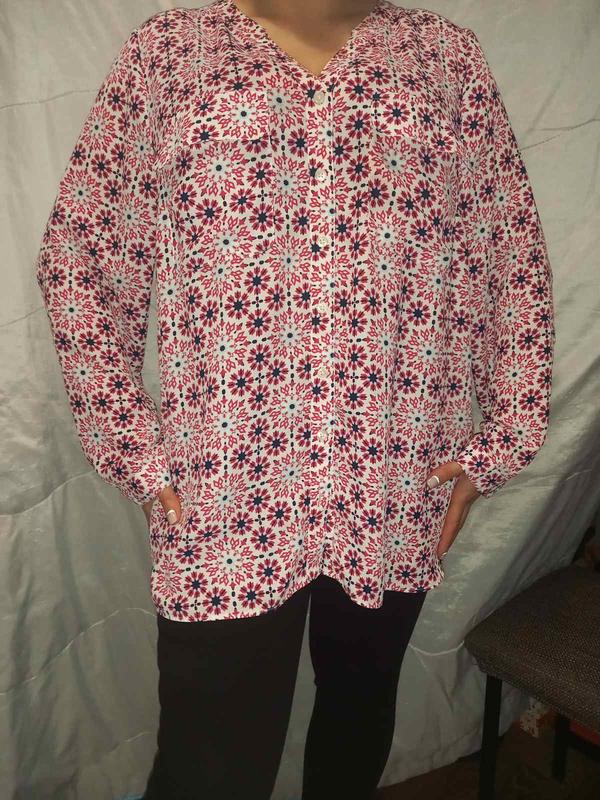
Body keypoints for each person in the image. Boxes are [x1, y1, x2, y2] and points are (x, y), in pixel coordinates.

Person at [35, 0, 555, 797]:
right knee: (211, 764)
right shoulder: (172, 52)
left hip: (393, 472)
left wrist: (501, 440)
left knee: (356, 721)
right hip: (229, 484)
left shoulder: (443, 59)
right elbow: (82, 252)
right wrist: (133, 444)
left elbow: (508, 254)